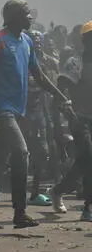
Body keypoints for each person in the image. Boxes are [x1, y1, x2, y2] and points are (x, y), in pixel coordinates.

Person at [0, 0, 70, 229]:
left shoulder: (27, 42)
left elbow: (40, 76)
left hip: (17, 110)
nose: (30, 17)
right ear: (13, 16)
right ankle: (20, 212)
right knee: (22, 153)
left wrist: (59, 96)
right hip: (1, 109)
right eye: (26, 13)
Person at [50, 21, 92, 221]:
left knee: (85, 160)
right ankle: (89, 207)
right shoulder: (76, 63)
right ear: (85, 40)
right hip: (79, 117)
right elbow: (61, 87)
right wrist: (64, 112)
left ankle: (59, 190)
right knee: (90, 157)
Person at [23, 31, 59, 206]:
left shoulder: (49, 63)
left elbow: (53, 87)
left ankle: (35, 192)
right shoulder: (21, 60)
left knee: (42, 153)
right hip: (22, 113)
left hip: (43, 113)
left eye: (39, 41)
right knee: (14, 153)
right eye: (33, 41)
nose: (36, 44)